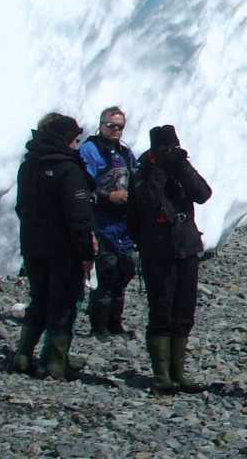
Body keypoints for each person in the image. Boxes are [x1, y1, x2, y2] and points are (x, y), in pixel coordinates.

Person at [128, 124, 212, 395]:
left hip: (185, 245)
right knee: (161, 308)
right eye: (166, 148)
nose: (170, 152)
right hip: (158, 248)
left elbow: (203, 193)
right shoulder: (145, 171)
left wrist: (181, 167)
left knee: (184, 309)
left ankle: (179, 372)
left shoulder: (179, 167)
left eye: (173, 147)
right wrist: (160, 169)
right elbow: (148, 202)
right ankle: (162, 375)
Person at [12, 112, 96, 381]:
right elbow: (78, 217)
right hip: (64, 249)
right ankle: (56, 361)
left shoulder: (29, 165)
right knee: (64, 303)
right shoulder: (69, 169)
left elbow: (21, 207)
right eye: (75, 139)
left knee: (39, 298)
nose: (76, 144)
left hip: (33, 244)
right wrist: (86, 252)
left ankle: (24, 354)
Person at [81, 106, 140, 338]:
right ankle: (99, 325)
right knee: (107, 272)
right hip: (101, 220)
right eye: (111, 126)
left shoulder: (125, 152)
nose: (116, 130)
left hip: (123, 221)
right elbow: (85, 185)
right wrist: (108, 196)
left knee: (125, 271)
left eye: (120, 127)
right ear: (101, 125)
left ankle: (115, 322)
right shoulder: (90, 150)